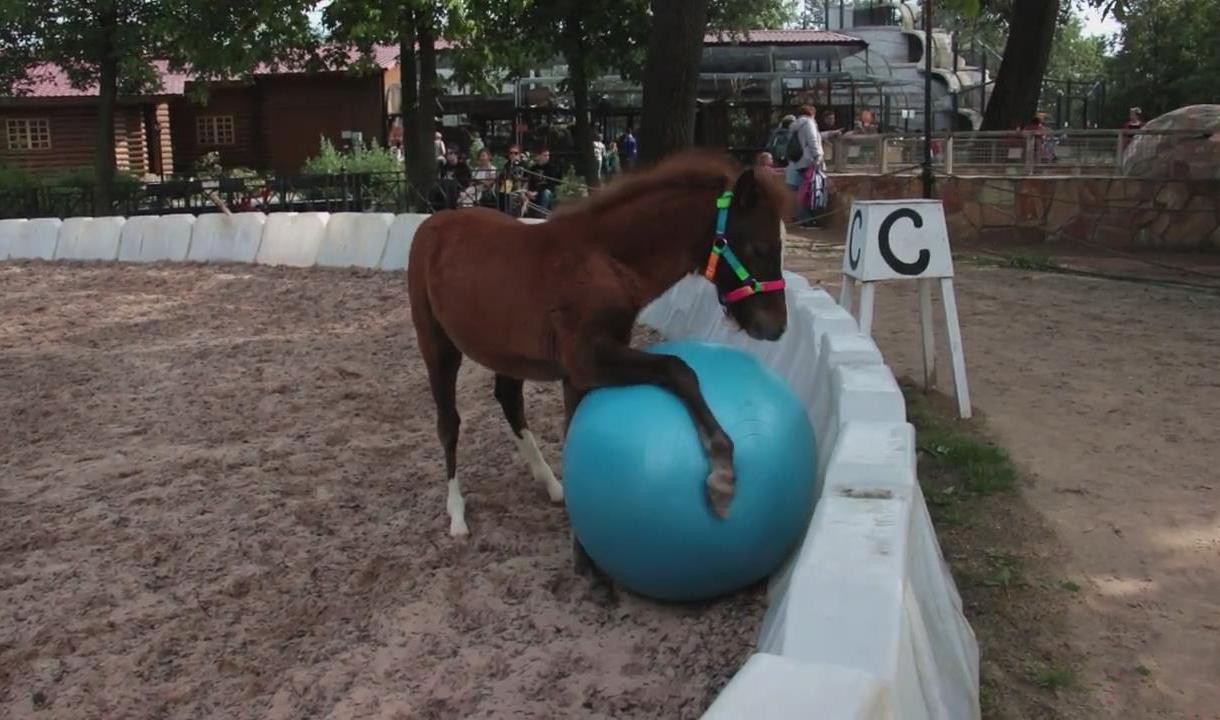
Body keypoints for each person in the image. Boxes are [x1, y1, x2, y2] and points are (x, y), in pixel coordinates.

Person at [785, 105, 823, 226]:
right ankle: (807, 220)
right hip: (809, 161)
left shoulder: (795, 125)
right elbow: (812, 140)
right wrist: (818, 156)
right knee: (809, 192)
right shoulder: (808, 123)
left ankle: (806, 218)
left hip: (799, 161)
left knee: (804, 191)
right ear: (811, 113)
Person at [527, 148, 561, 213]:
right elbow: (530, 182)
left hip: (547, 192)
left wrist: (537, 192)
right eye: (545, 155)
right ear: (539, 156)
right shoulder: (533, 168)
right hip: (534, 192)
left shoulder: (551, 168)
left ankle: (542, 215)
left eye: (548, 155)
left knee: (546, 192)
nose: (547, 157)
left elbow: (550, 184)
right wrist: (529, 192)